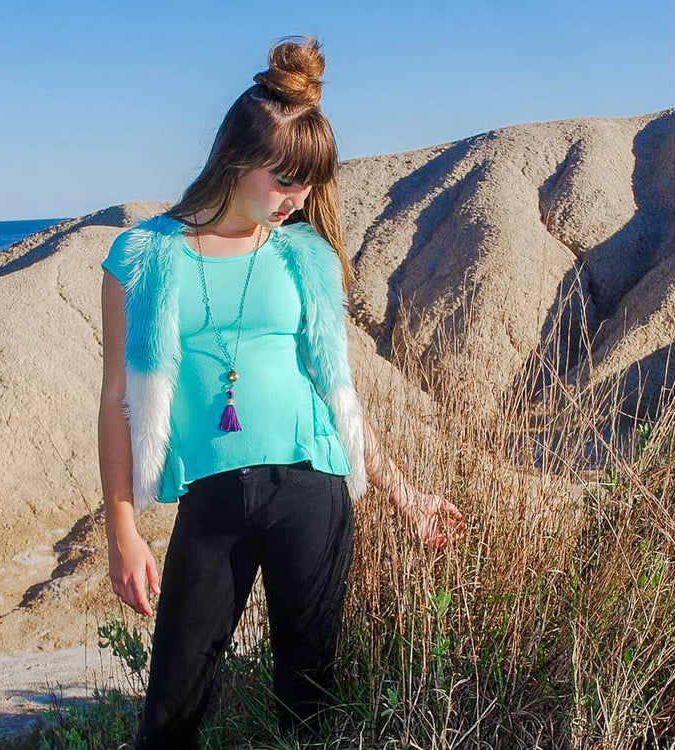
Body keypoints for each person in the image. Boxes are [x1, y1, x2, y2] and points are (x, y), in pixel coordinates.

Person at [98, 34, 465, 750]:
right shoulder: (142, 257)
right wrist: (122, 531)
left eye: (309, 182)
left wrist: (408, 497)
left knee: (308, 712)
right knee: (171, 713)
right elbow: (115, 400)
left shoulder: (305, 256)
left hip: (314, 492)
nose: (298, 198)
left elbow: (338, 397)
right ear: (237, 159)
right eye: (286, 178)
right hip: (213, 500)